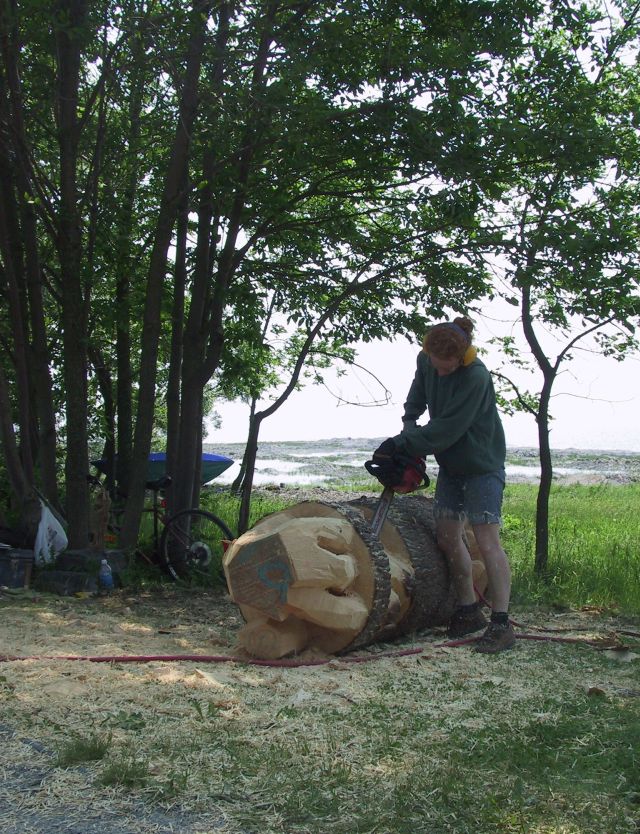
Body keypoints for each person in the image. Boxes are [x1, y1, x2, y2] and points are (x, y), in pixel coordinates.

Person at [374, 316, 515, 653]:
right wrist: (409, 424)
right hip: (451, 466)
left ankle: (501, 622)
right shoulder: (427, 360)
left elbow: (447, 429)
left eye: (446, 368)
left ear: (462, 359)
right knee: (448, 535)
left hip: (482, 466)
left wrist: (402, 444)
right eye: (435, 365)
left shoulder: (476, 376)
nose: (439, 372)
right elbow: (418, 394)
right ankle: (467, 609)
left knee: (486, 538)